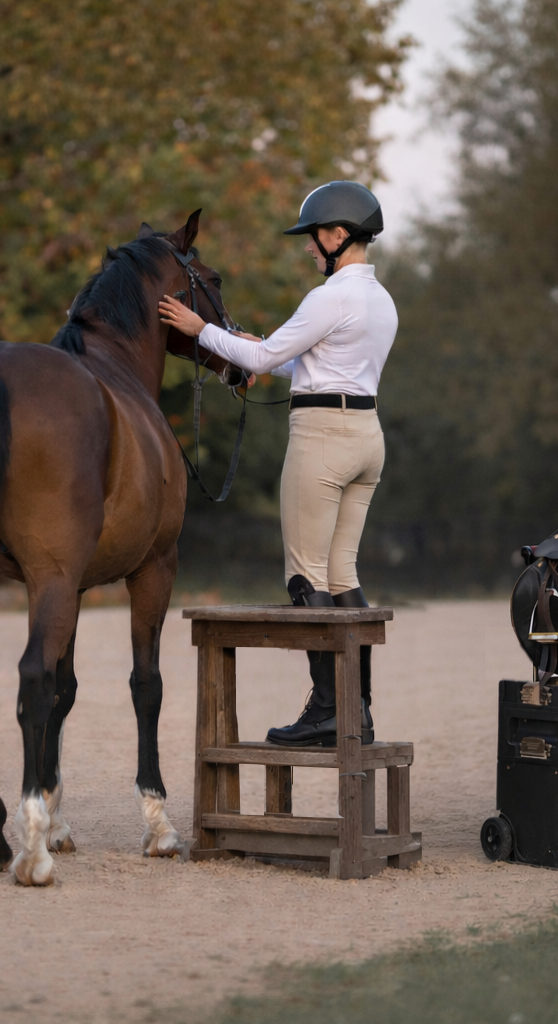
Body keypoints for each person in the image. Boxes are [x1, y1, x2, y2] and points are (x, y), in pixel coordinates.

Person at [158, 181, 397, 747]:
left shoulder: (329, 297)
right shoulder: (381, 300)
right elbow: (298, 362)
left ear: (339, 235)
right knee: (343, 575)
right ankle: (356, 712)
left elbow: (265, 359)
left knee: (304, 576)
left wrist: (202, 330)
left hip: (322, 438)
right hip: (367, 435)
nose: (310, 248)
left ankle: (327, 712)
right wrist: (241, 343)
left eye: (314, 238)